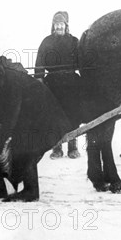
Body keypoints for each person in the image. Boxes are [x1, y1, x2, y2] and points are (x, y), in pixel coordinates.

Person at [0, 48, 72, 201]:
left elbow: (11, 113)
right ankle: (20, 186)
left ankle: (31, 191)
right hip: (35, 117)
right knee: (22, 140)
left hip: (47, 118)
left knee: (25, 142)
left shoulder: (9, 79)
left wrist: (1, 139)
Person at [34, 11, 81, 159]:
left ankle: (73, 148)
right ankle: (57, 148)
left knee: (73, 113)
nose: (59, 27)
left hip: (71, 82)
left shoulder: (74, 41)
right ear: (53, 25)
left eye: (61, 24)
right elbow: (39, 62)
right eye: (56, 24)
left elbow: (82, 62)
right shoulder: (47, 41)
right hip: (53, 82)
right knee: (55, 114)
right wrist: (40, 80)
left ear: (66, 25)